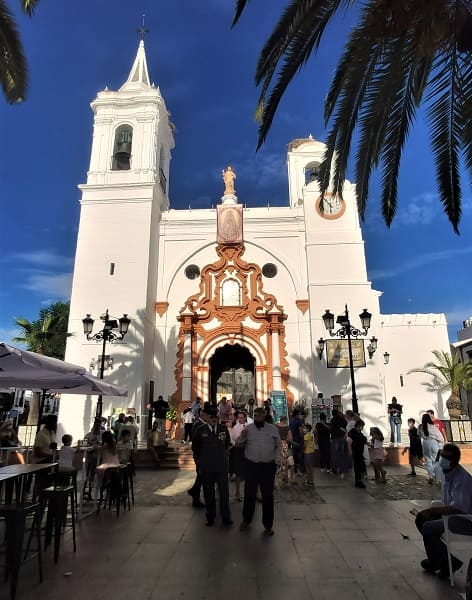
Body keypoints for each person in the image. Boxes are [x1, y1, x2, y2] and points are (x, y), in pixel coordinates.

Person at [416, 443, 472, 579]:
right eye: (442, 456)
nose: (442, 460)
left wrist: (433, 511)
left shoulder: (462, 479)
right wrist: (432, 512)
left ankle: (437, 562)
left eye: (446, 458)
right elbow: (447, 501)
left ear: (454, 461)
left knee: (428, 527)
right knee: (421, 518)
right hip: (452, 516)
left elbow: (458, 507)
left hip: (465, 519)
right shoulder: (448, 473)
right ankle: (446, 561)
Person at [237, 407, 281, 535]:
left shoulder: (272, 429)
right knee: (249, 494)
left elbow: (278, 445)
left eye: (260, 416)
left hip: (268, 467)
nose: (258, 418)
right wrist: (242, 436)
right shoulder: (248, 429)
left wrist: (276, 460)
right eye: (256, 416)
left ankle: (268, 526)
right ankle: (246, 520)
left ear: (265, 415)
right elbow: (238, 444)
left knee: (267, 496)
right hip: (252, 466)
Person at [191, 405, 232, 526]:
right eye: (212, 416)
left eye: (216, 416)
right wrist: (201, 461)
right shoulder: (200, 430)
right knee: (208, 493)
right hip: (207, 467)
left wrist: (222, 456)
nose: (214, 418)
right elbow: (195, 448)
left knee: (224, 493)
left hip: (221, 466)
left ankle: (226, 517)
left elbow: (227, 444)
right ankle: (210, 516)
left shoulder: (223, 428)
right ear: (207, 417)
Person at [187, 405, 208, 509]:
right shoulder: (198, 425)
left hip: (202, 455)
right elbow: (195, 442)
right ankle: (195, 496)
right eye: (207, 414)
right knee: (201, 476)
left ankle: (194, 492)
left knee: (201, 476)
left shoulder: (202, 424)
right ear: (202, 414)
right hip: (200, 456)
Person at [419, 413, 443, 484]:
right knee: (435, 460)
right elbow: (440, 437)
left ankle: (431, 477)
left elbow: (419, 435)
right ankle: (437, 478)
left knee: (428, 460)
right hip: (433, 442)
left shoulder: (420, 427)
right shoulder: (433, 426)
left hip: (425, 443)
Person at [229, 412, 247, 501]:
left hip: (248, 451)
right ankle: (238, 493)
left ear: (245, 418)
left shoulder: (249, 425)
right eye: (238, 418)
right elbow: (232, 440)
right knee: (238, 473)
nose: (240, 419)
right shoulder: (235, 428)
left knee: (248, 473)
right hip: (238, 451)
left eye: (241, 417)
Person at [348, 419, 367, 488]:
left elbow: (363, 440)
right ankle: (358, 481)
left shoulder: (360, 433)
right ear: (359, 425)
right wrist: (350, 451)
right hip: (355, 452)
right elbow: (349, 442)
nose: (362, 428)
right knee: (358, 466)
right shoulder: (352, 432)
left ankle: (359, 480)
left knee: (361, 466)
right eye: (362, 426)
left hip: (360, 452)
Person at [329, 409, 348, 478]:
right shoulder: (343, 420)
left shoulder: (333, 420)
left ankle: (335, 470)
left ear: (332, 414)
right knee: (342, 454)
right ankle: (342, 469)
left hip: (335, 438)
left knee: (334, 455)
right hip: (342, 438)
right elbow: (346, 428)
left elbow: (330, 429)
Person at [276, 415, 293, 485]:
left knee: (278, 461)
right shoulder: (287, 427)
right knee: (284, 462)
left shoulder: (275, 426)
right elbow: (290, 439)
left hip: (277, 445)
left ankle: (277, 477)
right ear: (285, 420)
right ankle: (284, 478)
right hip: (284, 445)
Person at [289, 409, 305, 475]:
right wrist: (303, 437)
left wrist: (292, 441)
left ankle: (295, 470)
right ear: (297, 414)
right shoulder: (299, 421)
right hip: (299, 440)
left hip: (294, 441)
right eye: (299, 414)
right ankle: (300, 470)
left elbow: (290, 432)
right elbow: (301, 430)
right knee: (301, 456)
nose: (299, 415)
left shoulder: (291, 421)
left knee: (295, 456)